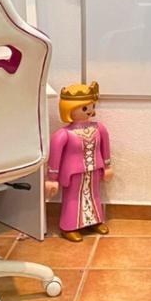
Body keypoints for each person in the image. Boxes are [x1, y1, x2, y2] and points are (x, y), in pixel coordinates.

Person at [45, 83, 113, 242]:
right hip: (73, 173)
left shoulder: (99, 128)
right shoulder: (63, 134)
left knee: (94, 195)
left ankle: (94, 221)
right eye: (84, 108)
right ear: (69, 109)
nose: (90, 111)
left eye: (92, 106)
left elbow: (105, 148)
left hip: (94, 169)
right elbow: (54, 157)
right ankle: (69, 226)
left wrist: (108, 166)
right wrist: (52, 178)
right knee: (72, 199)